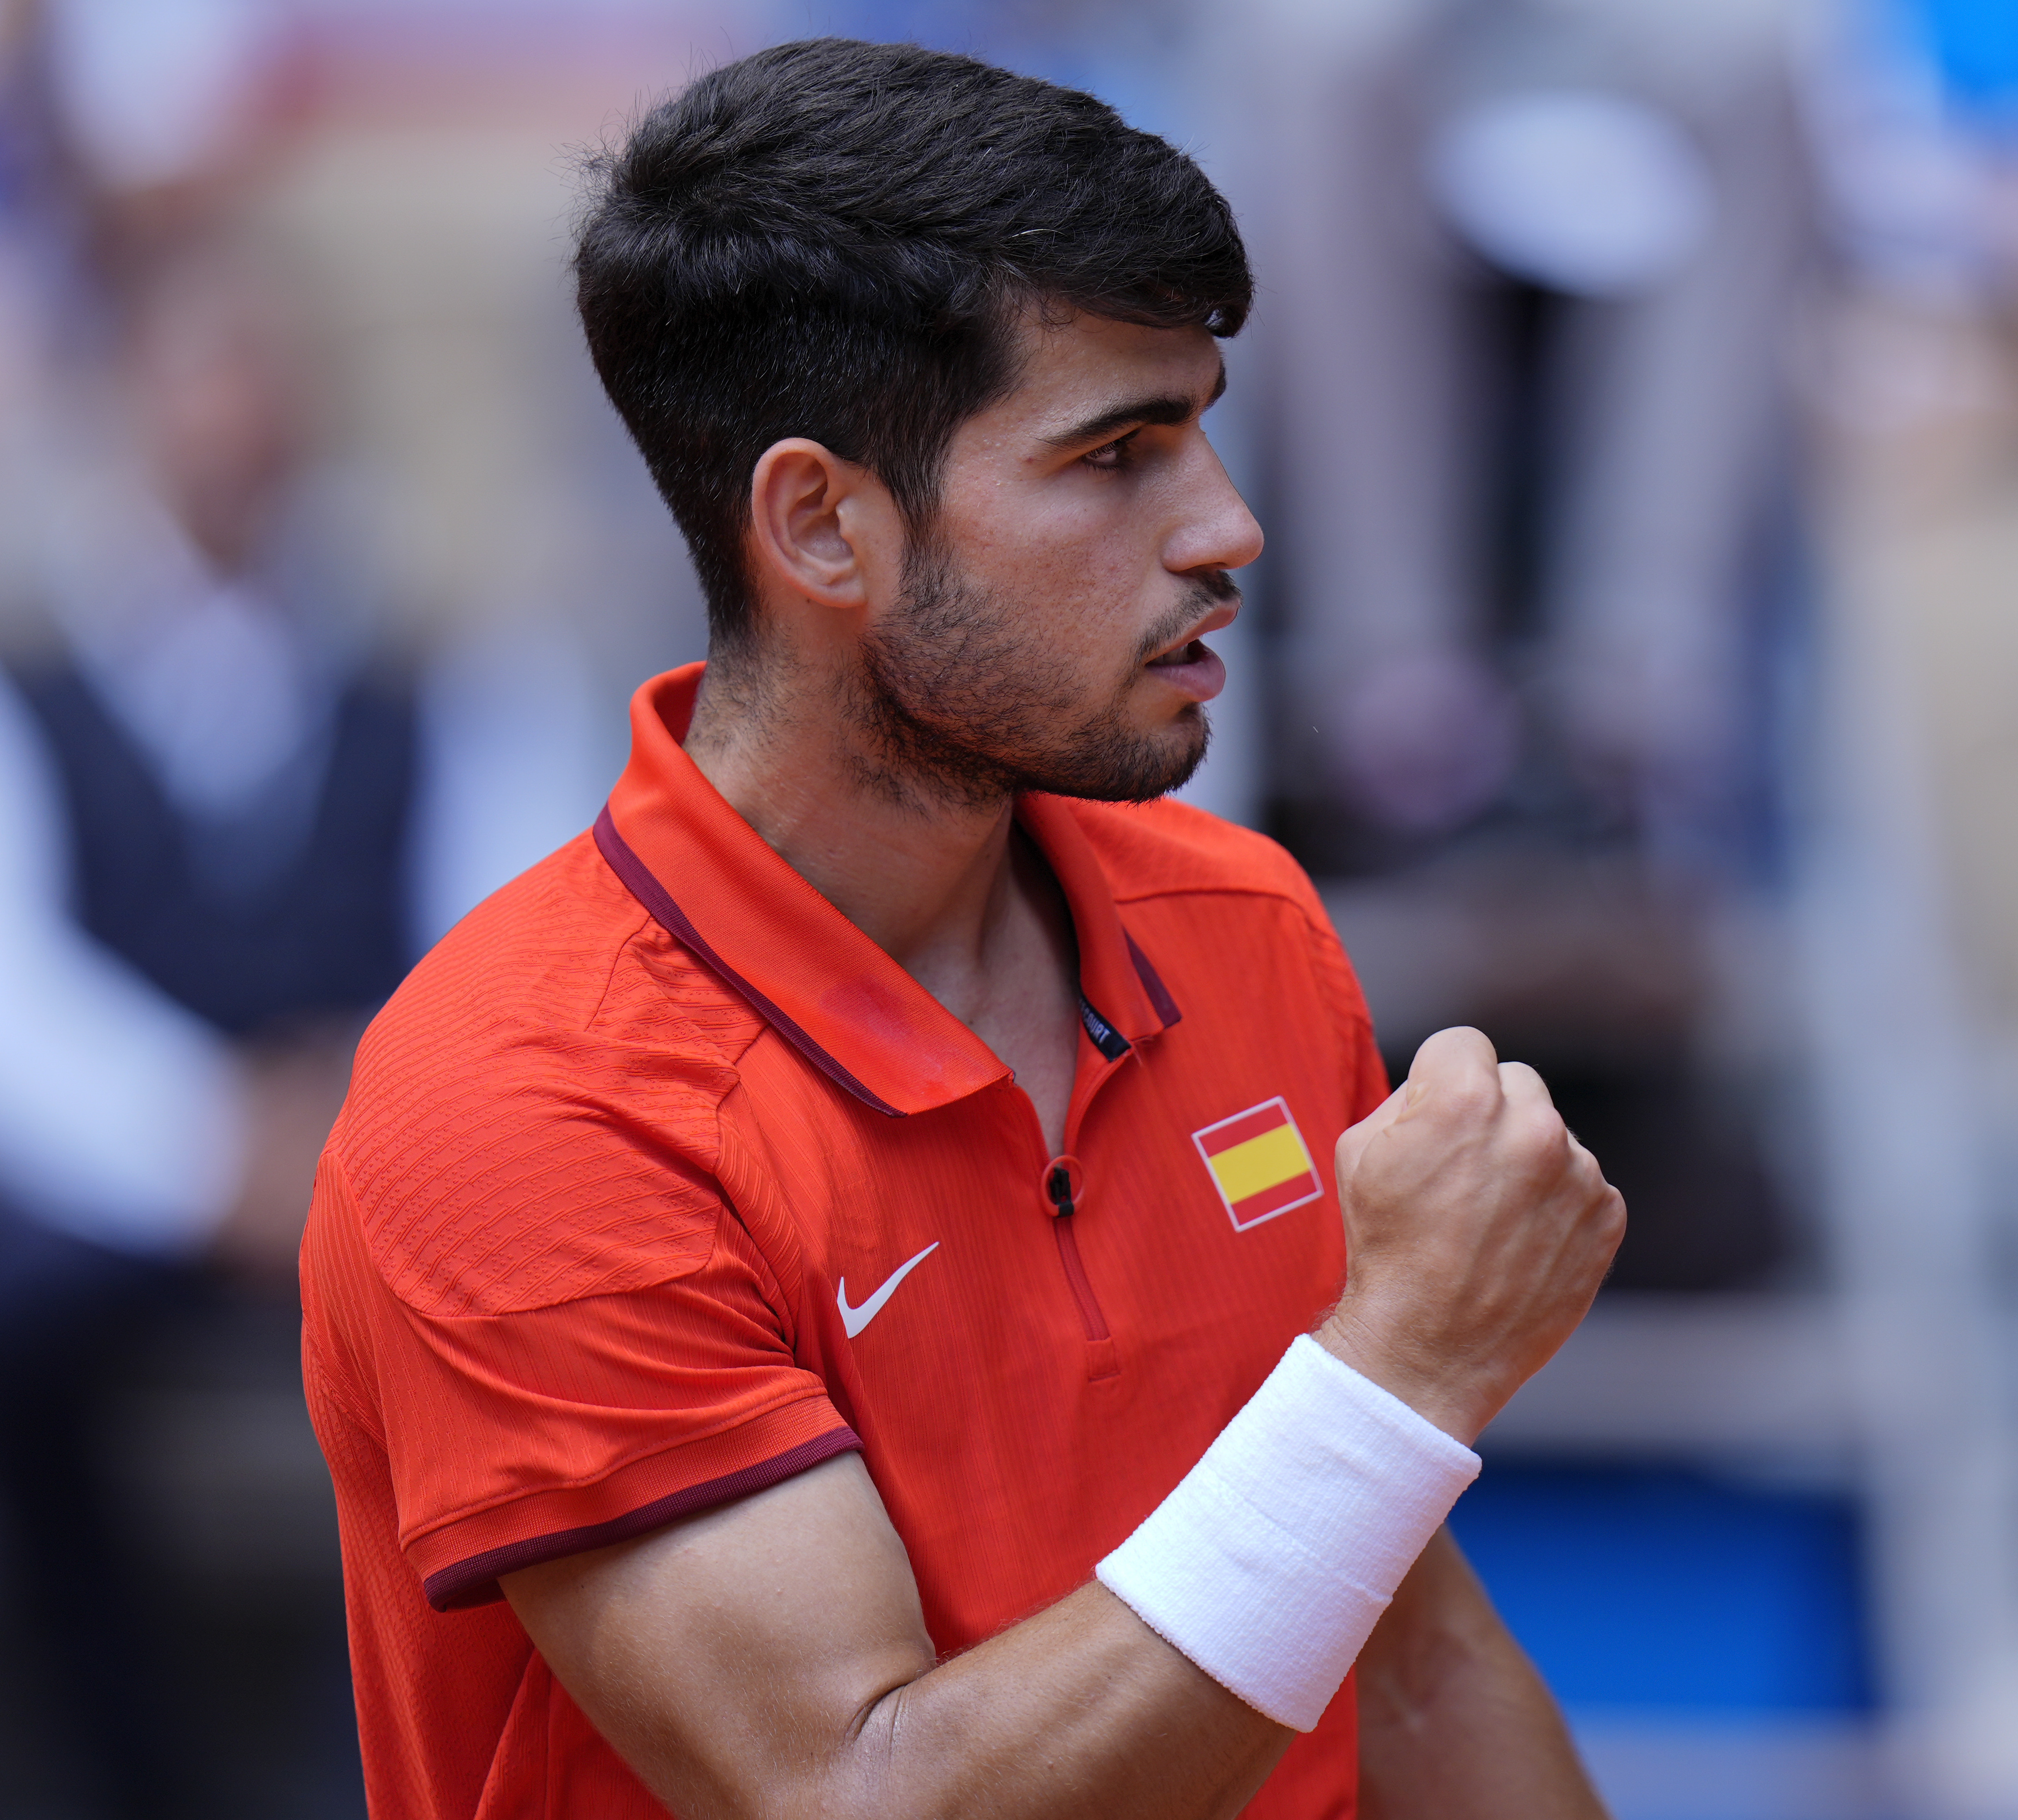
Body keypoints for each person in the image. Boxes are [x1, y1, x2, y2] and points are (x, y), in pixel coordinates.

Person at [299, 37, 1626, 1820]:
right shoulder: (521, 1104)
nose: (1227, 524)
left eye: (1205, 421)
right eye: (1116, 454)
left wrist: (1383, 1407)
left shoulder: (1242, 924)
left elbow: (1404, 1652)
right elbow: (859, 1794)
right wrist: (1401, 1371)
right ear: (821, 527)